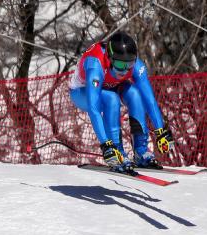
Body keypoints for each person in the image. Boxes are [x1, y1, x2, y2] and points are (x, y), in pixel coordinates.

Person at [69, 31, 174, 171]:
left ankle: (141, 151)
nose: (124, 70)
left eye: (129, 64)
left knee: (136, 95)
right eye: (119, 64)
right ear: (109, 59)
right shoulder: (95, 64)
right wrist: (106, 145)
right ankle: (117, 152)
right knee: (111, 99)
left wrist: (160, 131)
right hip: (82, 91)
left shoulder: (136, 65)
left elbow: (149, 99)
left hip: (111, 85)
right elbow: (94, 109)